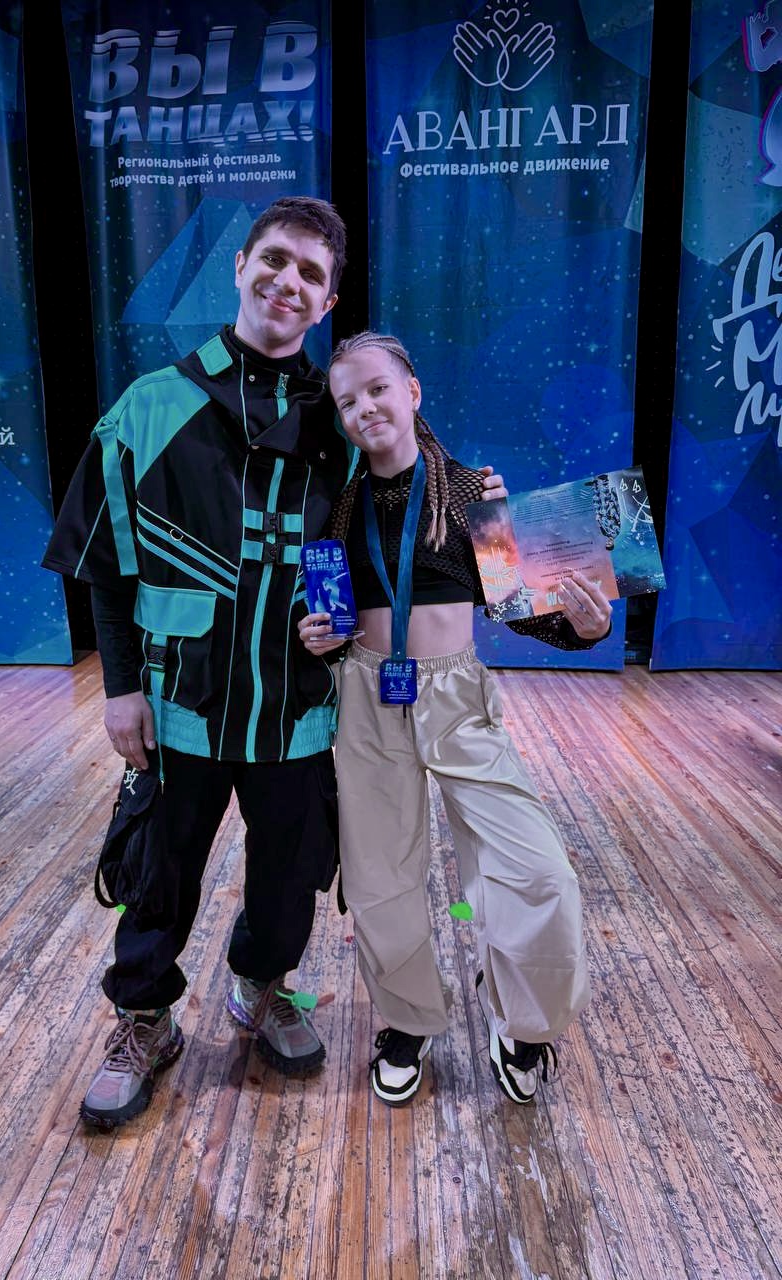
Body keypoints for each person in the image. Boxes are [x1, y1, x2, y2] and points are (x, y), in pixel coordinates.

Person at [43, 199, 508, 1130]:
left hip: (299, 707)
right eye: (276, 260)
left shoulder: (340, 419)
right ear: (242, 265)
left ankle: (262, 986)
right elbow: (105, 564)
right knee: (159, 871)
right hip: (182, 701)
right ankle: (144, 1020)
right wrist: (122, 689)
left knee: (290, 875)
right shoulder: (149, 406)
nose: (289, 282)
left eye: (311, 274)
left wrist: (479, 497)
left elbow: (408, 496)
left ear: (327, 301)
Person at [299, 331, 611, 1107]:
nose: (364, 409)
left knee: (538, 872)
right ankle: (407, 1022)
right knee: (380, 879)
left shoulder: (473, 492)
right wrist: (317, 639)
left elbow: (520, 606)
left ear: (412, 392)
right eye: (347, 401)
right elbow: (323, 620)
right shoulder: (334, 508)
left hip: (456, 697)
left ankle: (524, 1024)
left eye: (377, 389)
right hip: (367, 700)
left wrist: (586, 627)